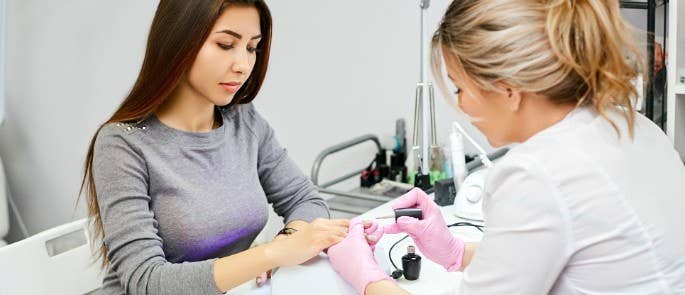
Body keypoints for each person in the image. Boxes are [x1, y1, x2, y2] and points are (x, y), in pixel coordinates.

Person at [327, 0, 685, 294]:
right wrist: (454, 252)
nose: (461, 105)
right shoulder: (630, 124)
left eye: (459, 88)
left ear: (508, 90)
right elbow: (578, 257)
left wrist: (367, 279)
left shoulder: (538, 173)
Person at [78, 1, 348, 294]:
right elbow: (146, 281)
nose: (243, 65)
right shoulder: (122, 144)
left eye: (251, 47)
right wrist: (271, 255)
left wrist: (288, 240)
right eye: (225, 44)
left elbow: (305, 198)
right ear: (178, 42)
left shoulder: (244, 120)